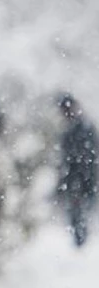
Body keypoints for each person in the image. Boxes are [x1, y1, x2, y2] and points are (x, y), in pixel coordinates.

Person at [56, 93, 98, 247]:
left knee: (79, 214)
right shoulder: (75, 129)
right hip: (78, 180)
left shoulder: (81, 128)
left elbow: (85, 159)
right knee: (78, 214)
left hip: (81, 180)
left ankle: (81, 241)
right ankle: (80, 240)